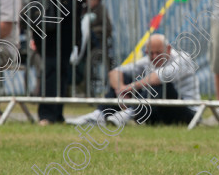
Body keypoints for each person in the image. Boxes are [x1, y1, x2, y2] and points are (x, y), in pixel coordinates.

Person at [67, 34, 199, 126]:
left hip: (187, 113)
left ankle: (129, 113)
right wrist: (120, 89)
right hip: (157, 114)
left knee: (160, 85)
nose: (154, 57)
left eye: (158, 53)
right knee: (126, 77)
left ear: (169, 49)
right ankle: (100, 114)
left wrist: (129, 88)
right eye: (150, 53)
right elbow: (115, 72)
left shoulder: (183, 59)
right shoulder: (149, 60)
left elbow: (158, 78)